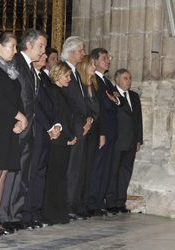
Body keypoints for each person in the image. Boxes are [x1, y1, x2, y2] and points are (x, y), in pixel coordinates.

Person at [0, 29, 47, 229]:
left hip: (30, 130)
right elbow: (11, 96)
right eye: (41, 46)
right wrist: (15, 120)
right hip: (17, 128)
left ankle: (15, 215)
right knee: (10, 174)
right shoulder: (16, 64)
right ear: (29, 45)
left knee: (22, 175)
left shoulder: (31, 68)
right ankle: (3, 215)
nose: (43, 50)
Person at [0, 32, 27, 235]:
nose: (15, 51)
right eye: (12, 46)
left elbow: (18, 99)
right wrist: (19, 116)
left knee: (3, 175)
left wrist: (20, 119)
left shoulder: (11, 70)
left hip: (11, 127)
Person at [21, 53, 61, 228]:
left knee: (40, 173)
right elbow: (35, 104)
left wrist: (57, 124)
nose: (44, 56)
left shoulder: (44, 77)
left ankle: (35, 213)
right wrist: (49, 126)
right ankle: (25, 214)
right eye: (42, 53)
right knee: (31, 173)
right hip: (36, 130)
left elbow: (53, 104)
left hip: (46, 132)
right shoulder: (29, 76)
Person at [87, 48, 123, 217]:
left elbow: (119, 102)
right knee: (98, 167)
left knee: (106, 168)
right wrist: (113, 101)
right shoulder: (94, 80)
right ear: (94, 61)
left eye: (108, 57)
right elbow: (103, 106)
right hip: (101, 130)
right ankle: (92, 202)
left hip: (111, 131)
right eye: (104, 58)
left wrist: (114, 99)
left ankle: (99, 201)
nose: (108, 60)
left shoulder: (107, 82)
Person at [61, 36, 92, 219]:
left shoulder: (76, 72)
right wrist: (77, 126)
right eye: (81, 50)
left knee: (76, 170)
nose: (83, 53)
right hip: (71, 128)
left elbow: (82, 102)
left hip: (81, 127)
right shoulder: (64, 71)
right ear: (71, 52)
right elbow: (67, 103)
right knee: (69, 170)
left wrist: (88, 120)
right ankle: (66, 206)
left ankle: (72, 204)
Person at [42, 61, 77, 225]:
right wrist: (70, 135)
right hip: (58, 139)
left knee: (60, 177)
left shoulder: (62, 92)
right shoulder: (54, 91)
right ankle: (50, 213)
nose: (69, 79)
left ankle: (59, 211)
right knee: (54, 177)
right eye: (67, 75)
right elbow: (59, 116)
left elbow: (68, 116)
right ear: (57, 75)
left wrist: (71, 135)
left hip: (64, 139)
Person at [106, 68, 143, 214]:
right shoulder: (112, 94)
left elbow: (138, 119)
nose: (129, 81)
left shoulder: (134, 96)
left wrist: (139, 139)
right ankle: (110, 202)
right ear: (117, 80)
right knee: (113, 171)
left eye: (130, 78)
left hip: (131, 141)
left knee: (125, 172)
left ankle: (121, 201)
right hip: (117, 140)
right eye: (126, 78)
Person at [76, 54, 102, 213]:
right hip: (81, 130)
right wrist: (87, 120)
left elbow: (97, 111)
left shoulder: (93, 85)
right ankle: (76, 203)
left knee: (88, 169)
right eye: (92, 64)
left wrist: (91, 119)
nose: (95, 67)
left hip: (92, 130)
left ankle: (83, 204)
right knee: (79, 169)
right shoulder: (79, 84)